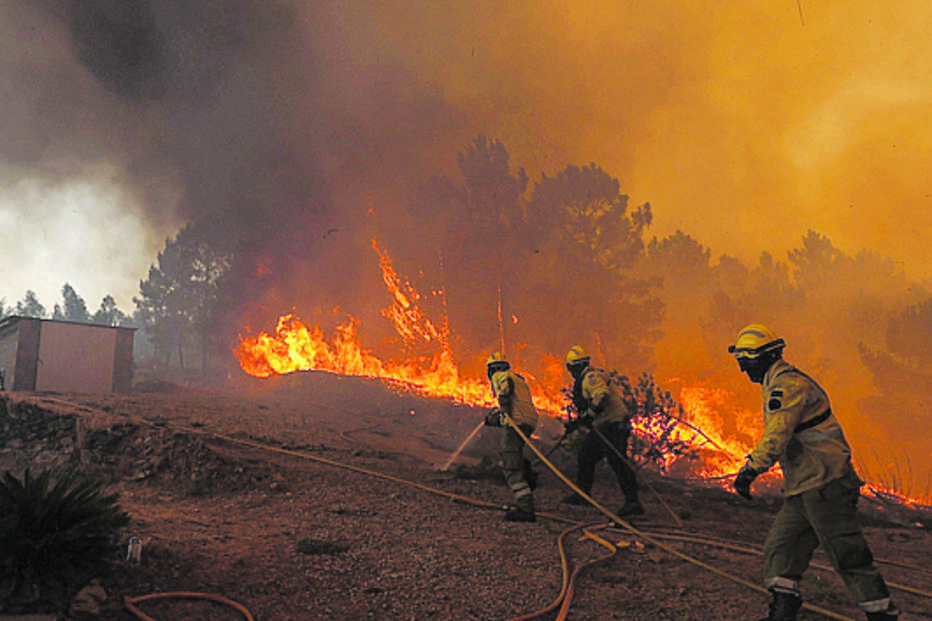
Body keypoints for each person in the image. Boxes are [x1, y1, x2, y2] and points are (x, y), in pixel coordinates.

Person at [728, 324, 899, 621]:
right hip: (804, 487)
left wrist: (750, 469)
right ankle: (784, 611)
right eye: (740, 363)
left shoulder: (787, 387)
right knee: (781, 547)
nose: (744, 371)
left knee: (847, 554)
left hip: (826, 484)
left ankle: (882, 614)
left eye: (746, 363)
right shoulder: (777, 381)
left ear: (764, 358)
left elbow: (777, 435)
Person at [560, 345, 644, 518]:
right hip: (603, 427)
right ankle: (583, 494)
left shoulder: (591, 377)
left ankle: (633, 502)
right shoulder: (585, 379)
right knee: (585, 457)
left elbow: (602, 395)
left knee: (618, 461)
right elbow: (590, 409)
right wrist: (576, 423)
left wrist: (590, 415)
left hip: (614, 425)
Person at [483, 352, 540, 523]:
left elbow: (505, 389)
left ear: (492, 369)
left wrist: (503, 404)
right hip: (528, 421)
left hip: (517, 423)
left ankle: (525, 508)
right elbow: (516, 410)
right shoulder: (519, 380)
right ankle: (528, 475)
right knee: (516, 455)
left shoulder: (502, 376)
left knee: (511, 464)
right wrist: (497, 419)